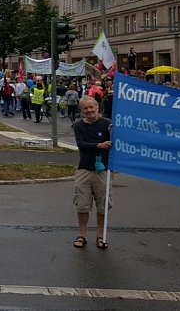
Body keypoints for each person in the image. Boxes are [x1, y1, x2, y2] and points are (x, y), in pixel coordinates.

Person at [71, 96, 111, 250]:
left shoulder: (108, 125)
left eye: (91, 107)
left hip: (103, 170)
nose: (88, 111)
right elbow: (81, 144)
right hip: (84, 169)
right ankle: (82, 235)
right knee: (82, 204)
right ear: (81, 111)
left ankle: (101, 236)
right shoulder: (78, 126)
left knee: (102, 205)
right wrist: (99, 145)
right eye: (85, 108)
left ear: (97, 107)